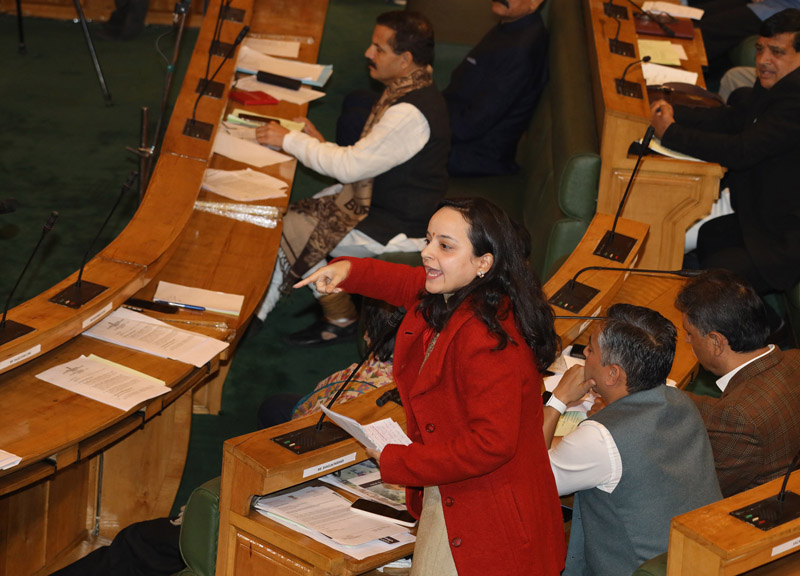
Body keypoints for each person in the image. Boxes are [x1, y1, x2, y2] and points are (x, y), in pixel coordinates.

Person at [297, 197, 565, 575]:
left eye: (444, 246)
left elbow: (491, 444)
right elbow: (406, 284)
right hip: (460, 491)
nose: (426, 253)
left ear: (483, 263)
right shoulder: (466, 295)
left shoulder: (489, 339)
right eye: (427, 240)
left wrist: (397, 460)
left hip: (487, 514)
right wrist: (348, 271)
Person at [254, 10, 450, 347]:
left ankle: (334, 317)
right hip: (382, 197)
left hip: (398, 224)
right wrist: (317, 144)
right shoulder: (412, 85)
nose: (368, 54)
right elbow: (370, 155)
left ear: (405, 60)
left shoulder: (410, 111)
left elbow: (351, 167)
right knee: (304, 214)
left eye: (378, 48)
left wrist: (288, 140)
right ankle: (270, 306)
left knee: (293, 226)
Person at [544, 304, 721, 576]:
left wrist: (558, 400)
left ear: (613, 373)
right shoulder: (679, 399)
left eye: (590, 348)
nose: (585, 354)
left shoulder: (599, 439)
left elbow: (532, 476)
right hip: (695, 561)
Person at [650, 9, 800, 298]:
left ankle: (763, 327)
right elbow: (734, 119)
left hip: (783, 234)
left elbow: (741, 150)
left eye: (777, 52)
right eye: (759, 49)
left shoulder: (795, 101)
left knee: (713, 276)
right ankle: (763, 317)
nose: (763, 60)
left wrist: (671, 133)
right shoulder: (779, 80)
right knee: (707, 238)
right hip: (753, 206)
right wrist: (674, 113)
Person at [675, 269, 800, 497]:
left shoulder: (738, 419)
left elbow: (694, 492)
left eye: (689, 332)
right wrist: (666, 395)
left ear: (716, 342)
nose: (686, 339)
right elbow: (723, 413)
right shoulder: (795, 360)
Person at [257, 298, 399, 428]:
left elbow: (313, 427)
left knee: (272, 408)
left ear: (368, 335)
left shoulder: (357, 386)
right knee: (277, 404)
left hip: (321, 427)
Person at [443, 0, 548, 176]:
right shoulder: (511, 26)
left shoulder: (521, 50)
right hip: (455, 133)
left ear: (535, 3)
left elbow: (468, 126)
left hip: (471, 155)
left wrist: (428, 121)